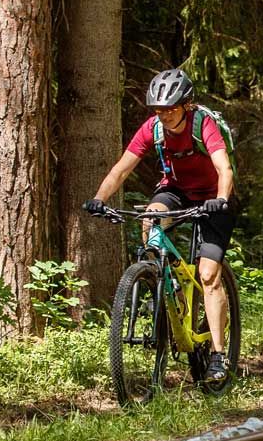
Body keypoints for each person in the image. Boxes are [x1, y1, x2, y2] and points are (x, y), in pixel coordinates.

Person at [85, 68, 236, 383]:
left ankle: (218, 355)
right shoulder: (152, 128)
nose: (164, 115)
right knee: (150, 222)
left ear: (186, 105)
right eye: (158, 109)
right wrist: (99, 198)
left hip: (213, 197)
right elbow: (121, 169)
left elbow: (224, 168)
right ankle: (163, 286)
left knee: (209, 275)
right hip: (176, 191)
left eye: (171, 109)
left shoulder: (202, 124)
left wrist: (221, 199)